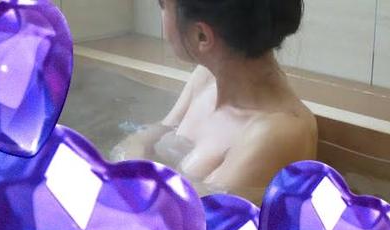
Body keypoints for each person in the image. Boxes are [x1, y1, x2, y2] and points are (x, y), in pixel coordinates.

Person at [110, 0, 317, 205]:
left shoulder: (275, 132)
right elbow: (153, 132)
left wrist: (129, 174)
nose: (161, 16)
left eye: (162, 5)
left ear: (201, 35)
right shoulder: (206, 78)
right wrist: (129, 163)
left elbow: (195, 214)